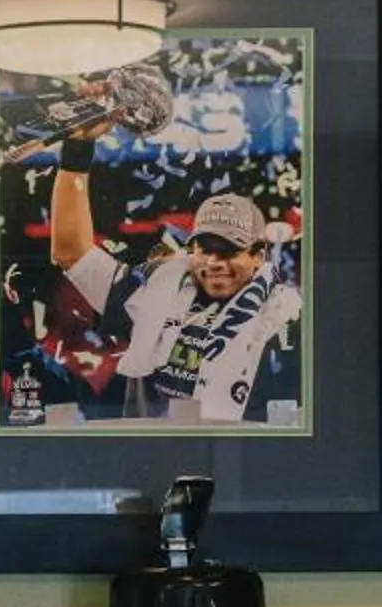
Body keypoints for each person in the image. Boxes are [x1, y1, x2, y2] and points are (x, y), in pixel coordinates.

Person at [40, 133, 303, 425]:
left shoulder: (286, 318)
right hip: (149, 455)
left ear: (257, 255)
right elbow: (70, 253)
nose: (215, 262)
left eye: (228, 251)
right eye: (206, 249)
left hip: (236, 458)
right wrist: (78, 149)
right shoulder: (153, 289)